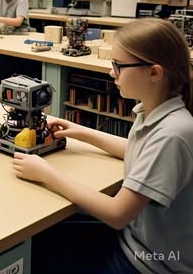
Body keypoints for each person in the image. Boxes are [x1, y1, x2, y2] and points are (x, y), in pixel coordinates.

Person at [13, 18, 193, 273]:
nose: (112, 73)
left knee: (35, 253)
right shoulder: (155, 112)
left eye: (118, 66)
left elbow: (117, 213)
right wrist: (79, 131)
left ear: (154, 72)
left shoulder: (172, 133)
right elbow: (135, 149)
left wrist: (45, 173)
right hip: (135, 242)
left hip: (147, 263)